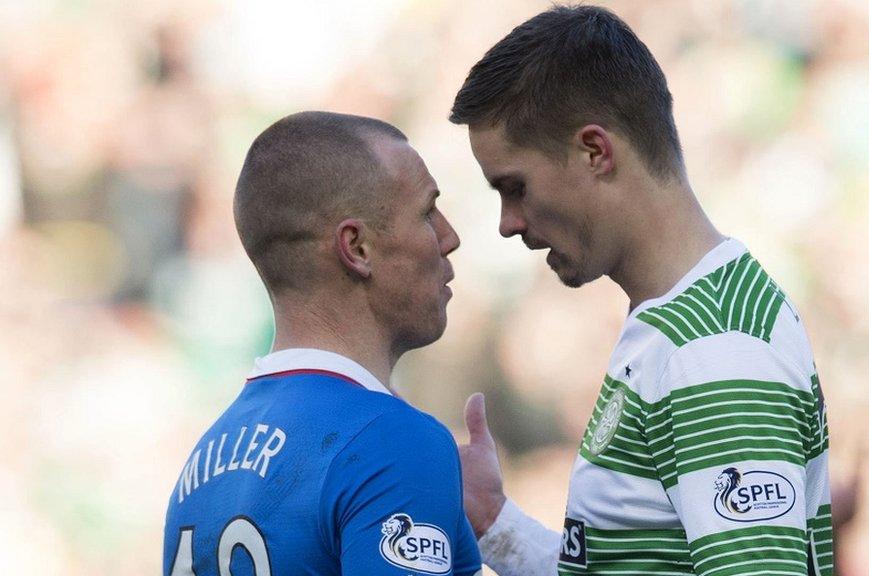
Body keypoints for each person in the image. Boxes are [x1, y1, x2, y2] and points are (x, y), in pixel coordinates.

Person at [449, 6, 832, 576]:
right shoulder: (678, 325)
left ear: (595, 152)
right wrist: (496, 526)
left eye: (515, 187)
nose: (508, 222)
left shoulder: (713, 348)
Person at [162, 111, 481, 576]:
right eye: (427, 212)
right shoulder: (391, 439)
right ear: (357, 248)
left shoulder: (201, 467)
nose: (449, 237)